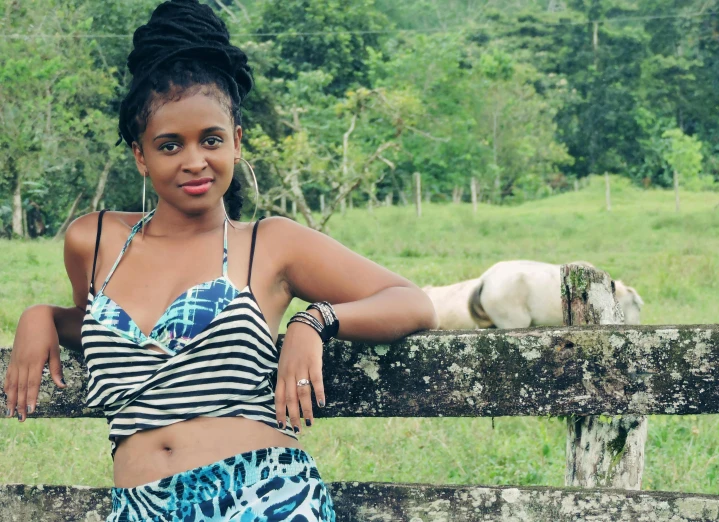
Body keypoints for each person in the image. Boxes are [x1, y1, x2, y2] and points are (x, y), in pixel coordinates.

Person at [1, 1, 438, 520]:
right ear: (140, 155)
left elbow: (413, 303)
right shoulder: (93, 241)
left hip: (266, 495)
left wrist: (314, 321)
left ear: (236, 141)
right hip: (140, 507)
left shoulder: (271, 244)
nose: (194, 161)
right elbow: (98, 325)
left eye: (211, 140)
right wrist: (42, 316)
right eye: (169, 145)